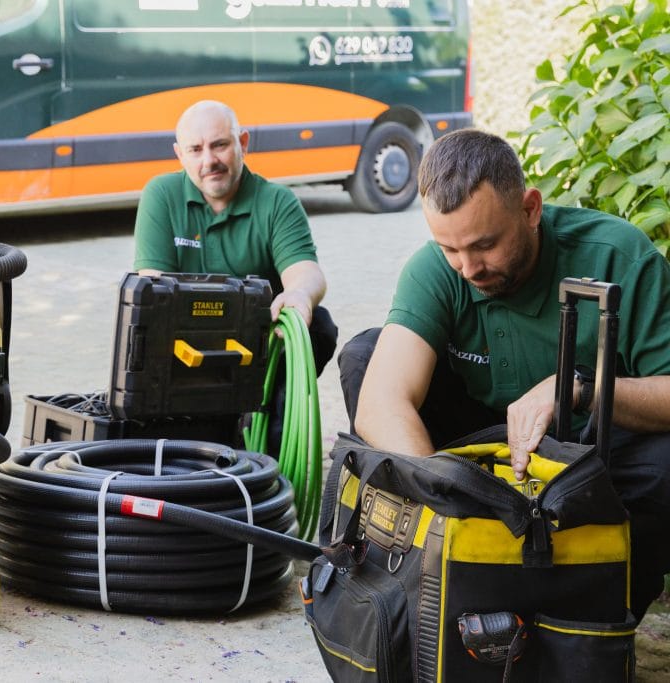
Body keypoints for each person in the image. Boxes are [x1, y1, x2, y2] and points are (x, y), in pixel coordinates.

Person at [338, 128, 670, 620]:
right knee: (365, 357)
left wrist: (577, 390)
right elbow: (381, 400)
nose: (468, 267)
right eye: (450, 249)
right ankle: (442, 570)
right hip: (473, 450)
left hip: (588, 451)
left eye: (484, 245)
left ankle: (594, 622)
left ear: (530, 209)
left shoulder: (620, 256)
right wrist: (446, 497)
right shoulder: (439, 268)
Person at [133, 100, 337, 451]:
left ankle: (272, 448)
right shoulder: (161, 195)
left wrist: (299, 295)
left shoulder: (277, 202)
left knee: (318, 325)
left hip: (259, 347)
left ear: (243, 143)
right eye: (195, 150)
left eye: (220, 145)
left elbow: (305, 270)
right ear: (179, 154)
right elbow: (153, 288)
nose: (208, 161)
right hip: (185, 346)